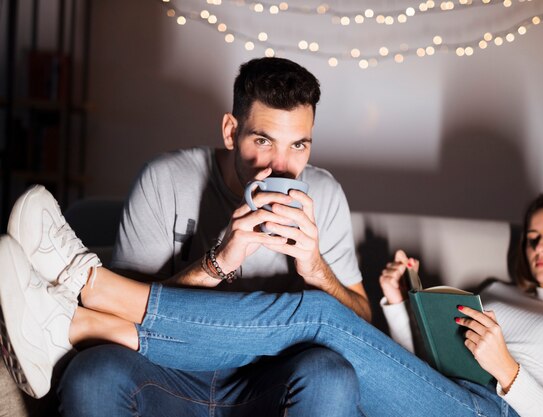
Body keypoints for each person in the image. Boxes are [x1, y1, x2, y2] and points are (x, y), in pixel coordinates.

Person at [2, 187, 543, 416]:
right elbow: (428, 371)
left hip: (497, 412)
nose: (540, 248)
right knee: (323, 331)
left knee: (322, 315)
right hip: (444, 398)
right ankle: (79, 323)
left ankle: (89, 289)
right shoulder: (501, 290)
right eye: (535, 235)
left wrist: (510, 374)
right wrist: (398, 307)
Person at [6, 56, 371, 417]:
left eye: (298, 145)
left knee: (332, 377)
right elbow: (125, 314)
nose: (280, 166)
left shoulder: (323, 194)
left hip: (267, 380)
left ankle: (77, 297)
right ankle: (81, 297)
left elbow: (362, 324)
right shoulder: (165, 178)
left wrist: (315, 268)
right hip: (165, 370)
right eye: (263, 140)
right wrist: (217, 263)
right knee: (94, 375)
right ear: (230, 131)